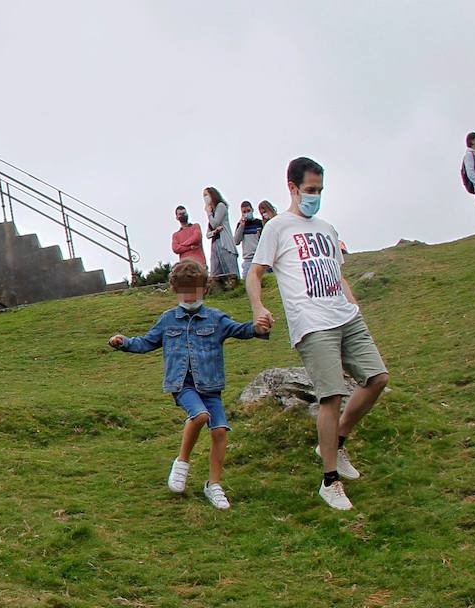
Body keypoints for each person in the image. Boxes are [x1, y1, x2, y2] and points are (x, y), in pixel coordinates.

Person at [246, 157, 391, 512]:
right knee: (331, 396)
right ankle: (330, 481)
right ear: (292, 188)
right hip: (312, 323)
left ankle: (336, 441)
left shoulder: (327, 229)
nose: (315, 196)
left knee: (377, 378)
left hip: (346, 316)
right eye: (310, 190)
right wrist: (258, 308)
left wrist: (355, 308)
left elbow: (338, 276)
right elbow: (255, 274)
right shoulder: (277, 227)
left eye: (320, 190)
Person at [109, 258, 272, 510]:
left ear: (204, 288)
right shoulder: (167, 320)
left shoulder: (216, 318)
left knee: (219, 431)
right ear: (176, 290)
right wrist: (125, 342)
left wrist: (258, 328)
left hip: (211, 386)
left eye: (193, 290)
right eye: (183, 291)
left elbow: (240, 330)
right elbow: (147, 342)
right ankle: (182, 463)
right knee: (200, 416)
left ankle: (213, 484)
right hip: (182, 384)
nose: (188, 296)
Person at [203, 187, 239, 278]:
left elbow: (215, 223)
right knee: (215, 273)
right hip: (215, 244)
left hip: (225, 243)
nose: (205, 198)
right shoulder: (212, 212)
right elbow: (208, 234)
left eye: (206, 195)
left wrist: (209, 213)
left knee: (230, 273)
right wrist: (214, 232)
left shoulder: (221, 206)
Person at [233, 200, 264, 277]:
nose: (247, 213)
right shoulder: (240, 225)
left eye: (248, 211)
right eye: (244, 212)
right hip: (248, 259)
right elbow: (236, 241)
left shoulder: (259, 223)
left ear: (252, 210)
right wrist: (242, 225)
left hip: (259, 256)